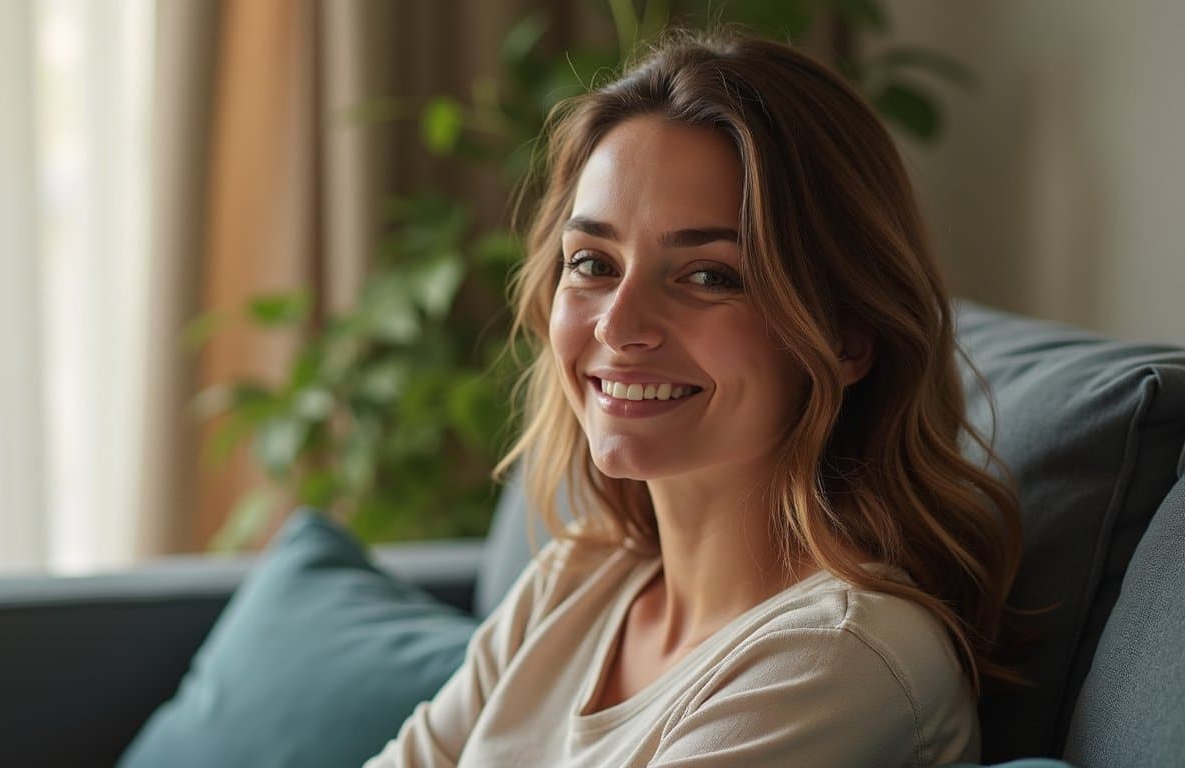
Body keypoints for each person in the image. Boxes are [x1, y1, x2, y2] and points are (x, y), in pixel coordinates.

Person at [366, 30, 1023, 767]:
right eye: (593, 263)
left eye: (709, 275)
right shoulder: (575, 579)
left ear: (845, 339)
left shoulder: (837, 661)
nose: (618, 324)